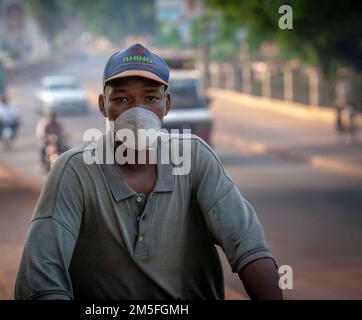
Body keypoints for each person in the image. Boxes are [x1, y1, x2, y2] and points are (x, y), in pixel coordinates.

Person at [15, 43, 282, 300]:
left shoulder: (195, 158)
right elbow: (42, 277)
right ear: (103, 105)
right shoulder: (74, 171)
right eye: (122, 99)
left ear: (166, 105)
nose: (137, 111)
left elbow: (249, 249)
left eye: (150, 98)